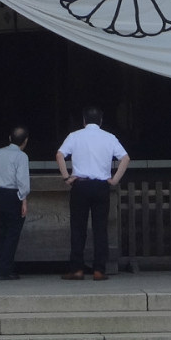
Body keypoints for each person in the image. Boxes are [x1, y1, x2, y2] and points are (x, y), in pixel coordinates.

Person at [57, 108, 128, 280]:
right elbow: (125, 158)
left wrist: (66, 177)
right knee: (100, 228)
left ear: (83, 121)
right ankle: (99, 270)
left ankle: (77, 269)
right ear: (101, 121)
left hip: (80, 186)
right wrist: (115, 179)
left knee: (78, 228)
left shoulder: (74, 136)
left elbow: (59, 155)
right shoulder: (109, 137)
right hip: (101, 187)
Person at [0, 127, 30, 280]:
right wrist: (23, 198)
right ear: (25, 141)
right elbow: (23, 182)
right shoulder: (22, 157)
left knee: (0, 234)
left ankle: (2, 267)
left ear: (10, 138)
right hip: (12, 196)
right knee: (12, 234)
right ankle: (4, 270)